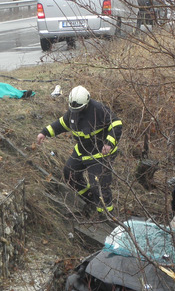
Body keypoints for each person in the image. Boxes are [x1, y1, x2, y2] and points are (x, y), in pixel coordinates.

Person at [35, 86, 123, 218]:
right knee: (70, 173)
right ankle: (89, 200)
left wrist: (109, 143)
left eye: (80, 109)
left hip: (100, 154)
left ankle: (106, 215)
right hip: (82, 151)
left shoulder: (98, 110)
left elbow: (116, 124)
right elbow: (62, 124)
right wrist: (45, 132)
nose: (77, 112)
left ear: (86, 103)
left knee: (98, 186)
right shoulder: (73, 112)